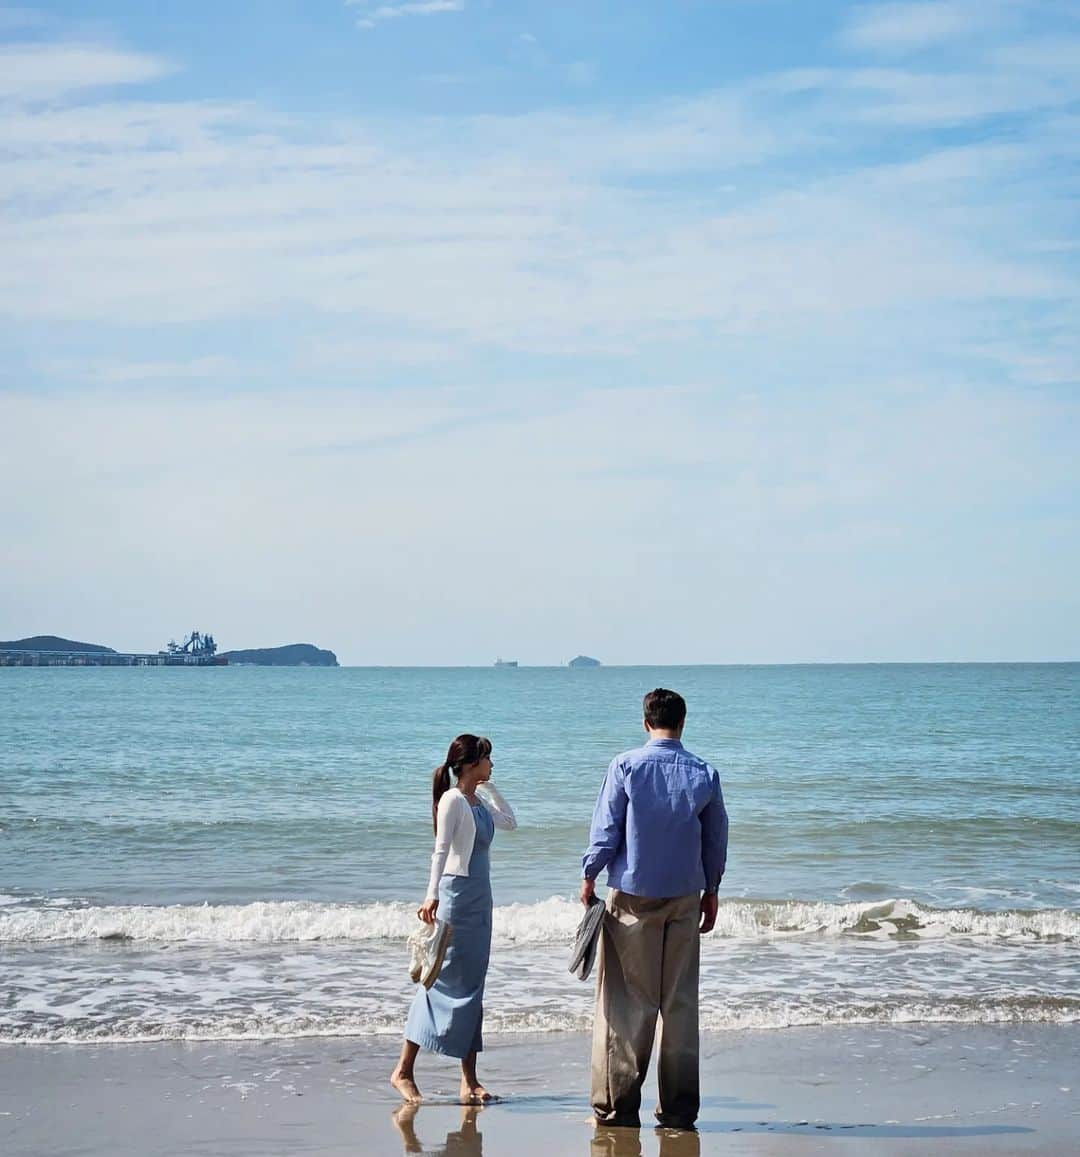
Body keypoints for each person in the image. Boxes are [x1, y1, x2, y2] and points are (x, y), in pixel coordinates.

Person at [581, 689, 728, 1131]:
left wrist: (589, 873)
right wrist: (712, 889)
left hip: (631, 896)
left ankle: (617, 1108)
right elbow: (715, 838)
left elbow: (608, 829)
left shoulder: (626, 765)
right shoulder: (704, 771)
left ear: (647, 723)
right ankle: (679, 1111)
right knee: (679, 1005)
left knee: (626, 1004)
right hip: (684, 896)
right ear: (682, 723)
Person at [391, 734, 517, 1104]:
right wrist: (430, 895)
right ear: (470, 763)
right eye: (487, 760)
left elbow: (511, 821)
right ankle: (403, 1070)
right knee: (439, 983)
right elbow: (440, 850)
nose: (492, 764)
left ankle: (469, 1081)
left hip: (481, 900)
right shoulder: (453, 800)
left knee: (473, 989)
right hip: (456, 898)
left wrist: (490, 786)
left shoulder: (478, 801)